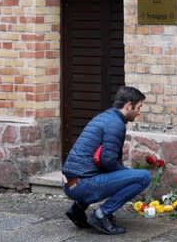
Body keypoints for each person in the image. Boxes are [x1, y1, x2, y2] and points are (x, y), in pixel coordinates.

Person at [62, 86, 151, 235]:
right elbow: (108, 162)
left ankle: (77, 209)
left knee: (104, 173)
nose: (139, 112)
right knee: (143, 177)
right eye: (139, 107)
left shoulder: (105, 117)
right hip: (82, 186)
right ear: (128, 105)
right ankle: (101, 214)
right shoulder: (116, 124)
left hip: (68, 183)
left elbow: (101, 161)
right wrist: (128, 174)